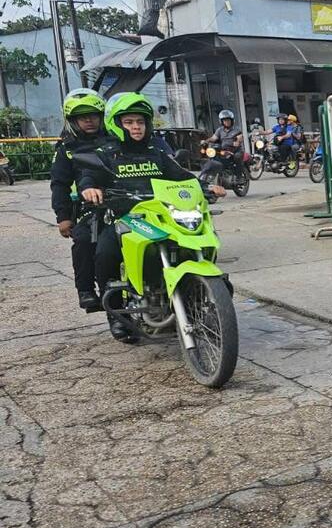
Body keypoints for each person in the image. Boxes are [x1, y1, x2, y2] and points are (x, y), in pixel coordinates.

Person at [78, 92, 225, 343]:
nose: (136, 127)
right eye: (129, 122)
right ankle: (116, 313)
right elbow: (88, 175)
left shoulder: (156, 152)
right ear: (117, 124)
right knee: (105, 253)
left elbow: (181, 176)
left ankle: (202, 297)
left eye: (140, 122)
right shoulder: (106, 153)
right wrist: (89, 188)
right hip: (126, 217)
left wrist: (205, 187)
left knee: (197, 240)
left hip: (160, 215)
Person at [50, 88, 109, 311]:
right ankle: (86, 290)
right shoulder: (66, 149)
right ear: (72, 121)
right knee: (84, 240)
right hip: (88, 208)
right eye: (82, 117)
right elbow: (59, 185)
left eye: (93, 115)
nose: (88, 120)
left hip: (125, 202)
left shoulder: (116, 141)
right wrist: (63, 217)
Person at [199, 109, 244, 181]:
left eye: (228, 120)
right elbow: (213, 138)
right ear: (221, 121)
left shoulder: (237, 130)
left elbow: (239, 139)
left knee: (237, 157)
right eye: (225, 120)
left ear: (232, 121)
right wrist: (206, 141)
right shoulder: (219, 130)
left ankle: (239, 176)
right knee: (212, 157)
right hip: (223, 150)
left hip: (235, 150)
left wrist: (237, 142)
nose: (227, 122)